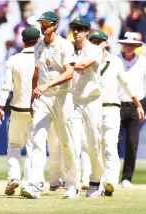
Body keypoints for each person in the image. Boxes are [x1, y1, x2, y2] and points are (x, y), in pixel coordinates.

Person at [25, 11, 79, 199]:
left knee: (66, 142)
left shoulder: (65, 45)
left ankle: (73, 185)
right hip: (43, 99)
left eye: (46, 24)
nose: (43, 27)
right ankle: (34, 185)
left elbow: (69, 73)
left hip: (63, 98)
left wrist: (47, 84)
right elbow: (36, 74)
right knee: (37, 140)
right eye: (41, 24)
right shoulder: (39, 45)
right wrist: (32, 99)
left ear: (55, 25)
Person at [87, 30, 144, 196]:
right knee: (98, 145)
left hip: (117, 106)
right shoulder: (88, 59)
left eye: (99, 41)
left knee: (116, 144)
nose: (96, 44)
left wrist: (139, 105)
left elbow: (127, 83)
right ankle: (98, 180)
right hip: (95, 106)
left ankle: (114, 180)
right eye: (93, 41)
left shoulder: (117, 61)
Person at [0, 27, 41, 196]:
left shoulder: (14, 59)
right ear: (38, 41)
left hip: (17, 110)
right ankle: (28, 184)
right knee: (32, 147)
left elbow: (6, 86)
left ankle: (14, 177)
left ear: (23, 40)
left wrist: (0, 107)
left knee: (14, 145)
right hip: (37, 109)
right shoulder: (41, 58)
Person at [70, 17, 105, 197]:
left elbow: (83, 65)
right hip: (75, 101)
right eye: (74, 28)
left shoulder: (95, 50)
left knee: (93, 142)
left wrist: (63, 65)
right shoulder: (69, 49)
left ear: (87, 31)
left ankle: (96, 180)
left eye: (80, 29)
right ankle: (73, 184)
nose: (76, 31)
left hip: (92, 100)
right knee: (73, 143)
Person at [117, 32, 146, 188]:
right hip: (117, 103)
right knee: (114, 141)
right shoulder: (115, 60)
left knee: (132, 142)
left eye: (132, 44)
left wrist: (143, 107)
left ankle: (127, 178)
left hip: (136, 106)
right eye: (126, 44)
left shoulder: (143, 61)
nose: (128, 47)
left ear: (136, 46)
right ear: (123, 45)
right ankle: (111, 176)